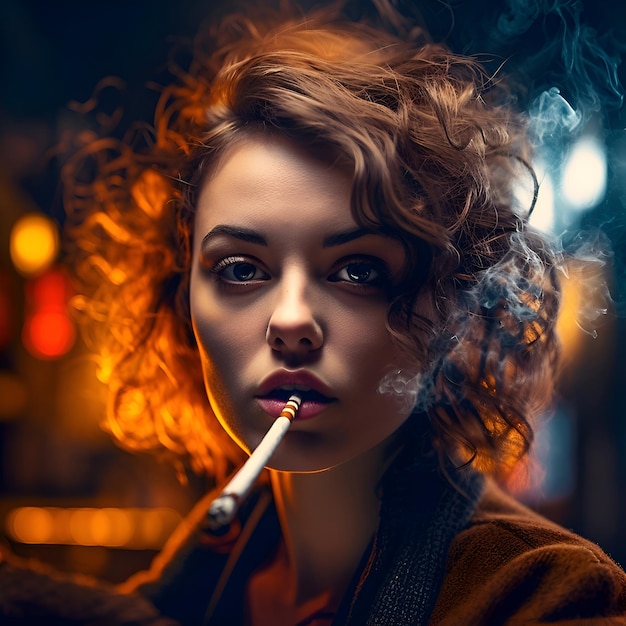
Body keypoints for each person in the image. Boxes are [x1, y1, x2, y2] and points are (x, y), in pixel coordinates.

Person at [2, 1, 626, 624]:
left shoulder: (547, 599)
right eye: (240, 269)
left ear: (452, 307)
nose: (292, 320)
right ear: (180, 295)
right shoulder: (203, 577)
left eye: (359, 271)